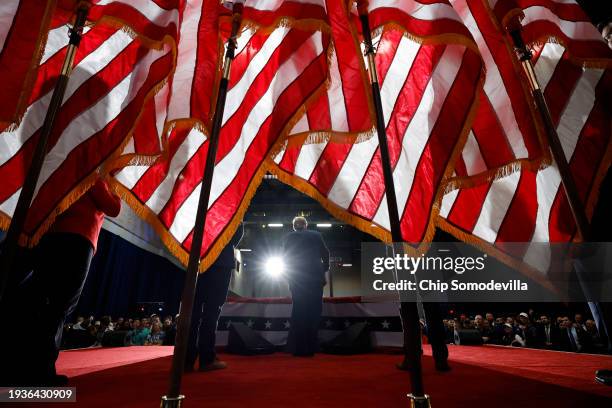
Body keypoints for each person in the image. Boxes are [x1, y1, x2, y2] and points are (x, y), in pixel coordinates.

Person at [1, 177, 121, 386]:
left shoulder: (70, 163)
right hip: (77, 239)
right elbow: (113, 207)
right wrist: (114, 188)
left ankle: (21, 367)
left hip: (51, 236)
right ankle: (41, 372)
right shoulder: (91, 168)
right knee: (59, 307)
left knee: (41, 304)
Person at [185, 237, 237, 372]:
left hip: (197, 259)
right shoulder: (228, 214)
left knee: (192, 311)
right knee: (211, 313)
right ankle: (207, 359)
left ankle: (186, 360)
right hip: (220, 262)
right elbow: (235, 235)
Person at [282, 216, 329, 357]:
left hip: (297, 280)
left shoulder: (288, 237)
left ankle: (298, 348)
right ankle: (312, 347)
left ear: (294, 227)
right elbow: (326, 254)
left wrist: (289, 277)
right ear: (306, 225)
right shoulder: (316, 235)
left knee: (299, 311)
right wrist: (323, 269)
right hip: (315, 279)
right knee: (314, 311)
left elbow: (285, 259)